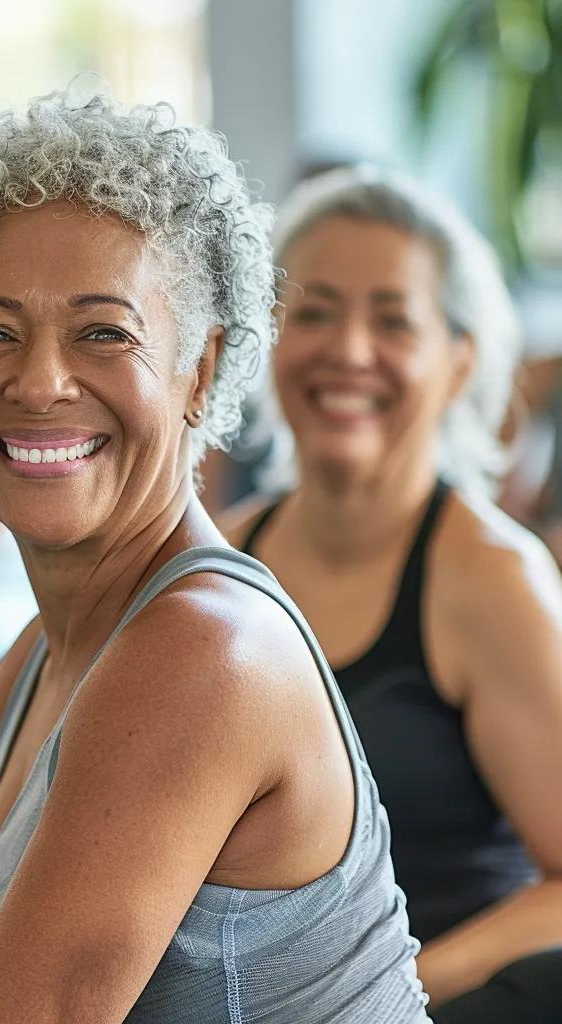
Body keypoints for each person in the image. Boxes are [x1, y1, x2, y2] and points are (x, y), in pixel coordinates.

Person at [0, 90, 431, 1022]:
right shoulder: (27, 670)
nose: (41, 382)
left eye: (104, 333)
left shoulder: (202, 654)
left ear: (198, 370)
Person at [219, 167, 562, 1023]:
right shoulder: (218, 564)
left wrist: (378, 999)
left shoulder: (493, 579)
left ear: (458, 362)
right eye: (316, 313)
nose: (349, 349)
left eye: (393, 320)